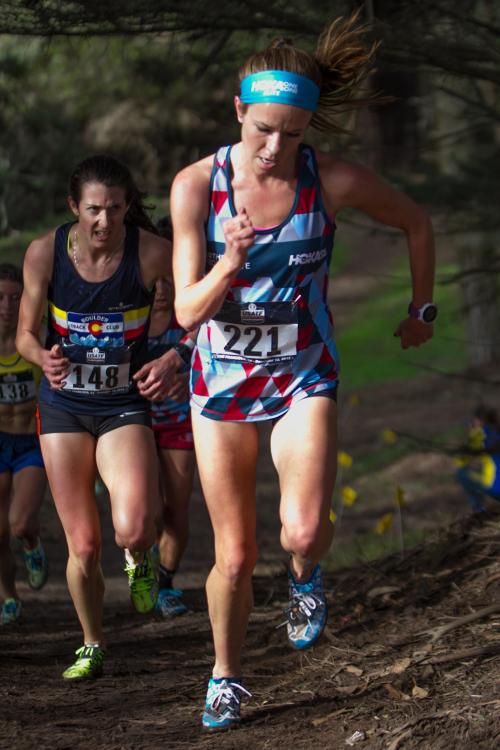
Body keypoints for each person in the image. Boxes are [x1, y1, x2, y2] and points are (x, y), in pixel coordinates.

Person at [170, 12, 436, 731]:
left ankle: (306, 576)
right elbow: (188, 312)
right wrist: (229, 261)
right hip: (221, 385)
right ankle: (226, 677)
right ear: (238, 110)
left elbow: (416, 221)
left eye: (291, 133)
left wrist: (421, 308)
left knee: (302, 529)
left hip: (302, 376)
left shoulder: (331, 180)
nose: (274, 147)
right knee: (233, 556)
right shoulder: (196, 187)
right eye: (263, 129)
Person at [16, 154, 179, 679]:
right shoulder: (44, 253)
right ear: (74, 207)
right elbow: (25, 334)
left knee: (133, 528)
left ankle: (139, 558)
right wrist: (42, 358)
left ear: (127, 206)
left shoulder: (152, 254)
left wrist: (173, 356)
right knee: (83, 546)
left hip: (122, 405)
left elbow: (197, 308)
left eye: (114, 208)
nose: (104, 221)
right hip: (63, 407)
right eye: (93, 210)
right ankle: (91, 642)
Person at [148, 216, 197, 618]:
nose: (163, 289)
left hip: (180, 423)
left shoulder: (192, 318)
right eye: (156, 279)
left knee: (176, 511)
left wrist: (191, 379)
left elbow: (220, 361)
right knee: (145, 511)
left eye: (170, 277)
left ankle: (164, 583)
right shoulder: (129, 316)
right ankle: (141, 567)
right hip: (136, 424)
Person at [0, 263, 48, 625]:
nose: (6, 306)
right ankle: (9, 597)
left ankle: (32, 545)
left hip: (30, 441)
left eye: (15, 297)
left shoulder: (35, 336)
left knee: (19, 524)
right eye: (0, 297)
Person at [455, 405, 500, 513]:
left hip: (496, 488)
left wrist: (472, 434)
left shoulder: (480, 434)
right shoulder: (497, 431)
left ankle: (478, 510)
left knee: (462, 474)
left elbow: (461, 461)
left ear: (479, 420)